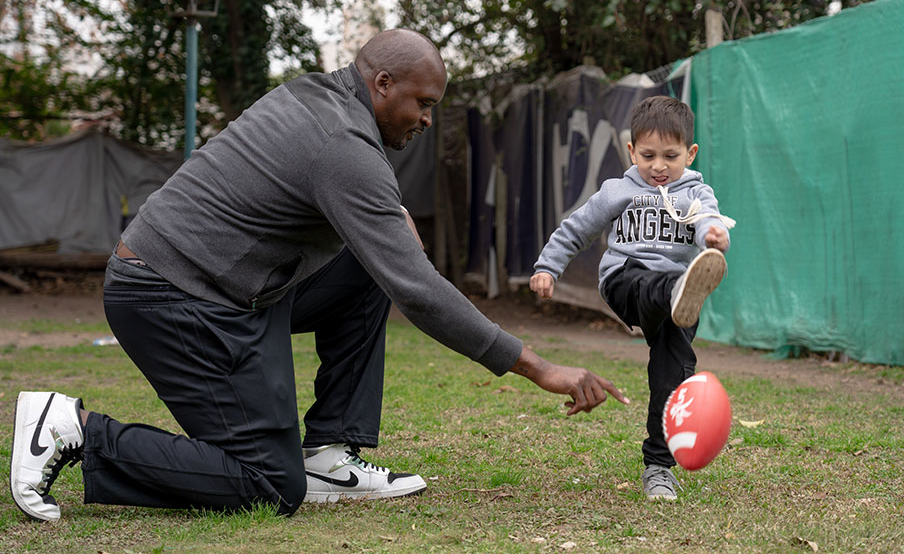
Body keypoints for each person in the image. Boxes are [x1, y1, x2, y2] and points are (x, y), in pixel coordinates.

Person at [10, 29, 628, 523]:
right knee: (269, 485)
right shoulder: (343, 144)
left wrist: (392, 218)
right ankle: (74, 430)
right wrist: (538, 367)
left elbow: (338, 206)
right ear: (382, 84)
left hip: (226, 288)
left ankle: (329, 453)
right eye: (423, 103)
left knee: (368, 265)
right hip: (172, 296)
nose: (426, 120)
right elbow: (418, 290)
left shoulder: (317, 98)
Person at [529, 95, 734, 501]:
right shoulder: (618, 191)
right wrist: (547, 267)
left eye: (671, 157)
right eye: (648, 155)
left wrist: (714, 235)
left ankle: (658, 468)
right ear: (631, 150)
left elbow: (709, 220)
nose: (659, 166)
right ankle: (677, 291)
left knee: (672, 378)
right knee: (649, 281)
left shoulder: (696, 193)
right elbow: (576, 229)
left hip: (678, 301)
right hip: (626, 281)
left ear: (690, 154)